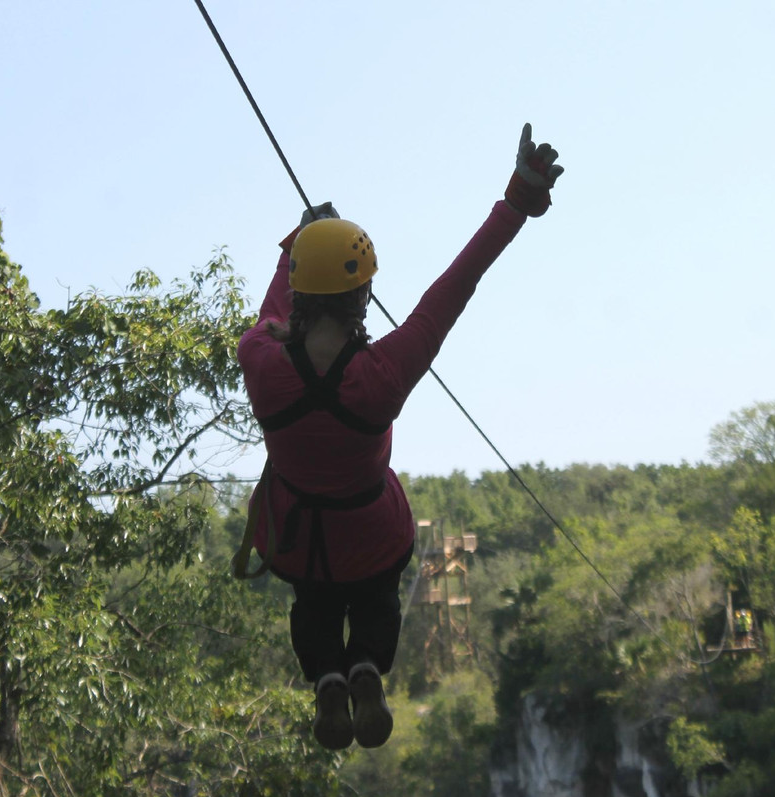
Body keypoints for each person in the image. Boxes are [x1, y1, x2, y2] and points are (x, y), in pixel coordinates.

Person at [237, 123, 563, 750]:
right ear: (365, 294)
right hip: (370, 535)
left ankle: (328, 676)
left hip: (300, 536)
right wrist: (517, 200)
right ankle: (364, 669)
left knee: (313, 601)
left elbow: (273, 311)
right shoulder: (383, 373)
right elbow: (455, 286)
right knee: (376, 593)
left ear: (304, 289)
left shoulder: (262, 363)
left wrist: (297, 244)